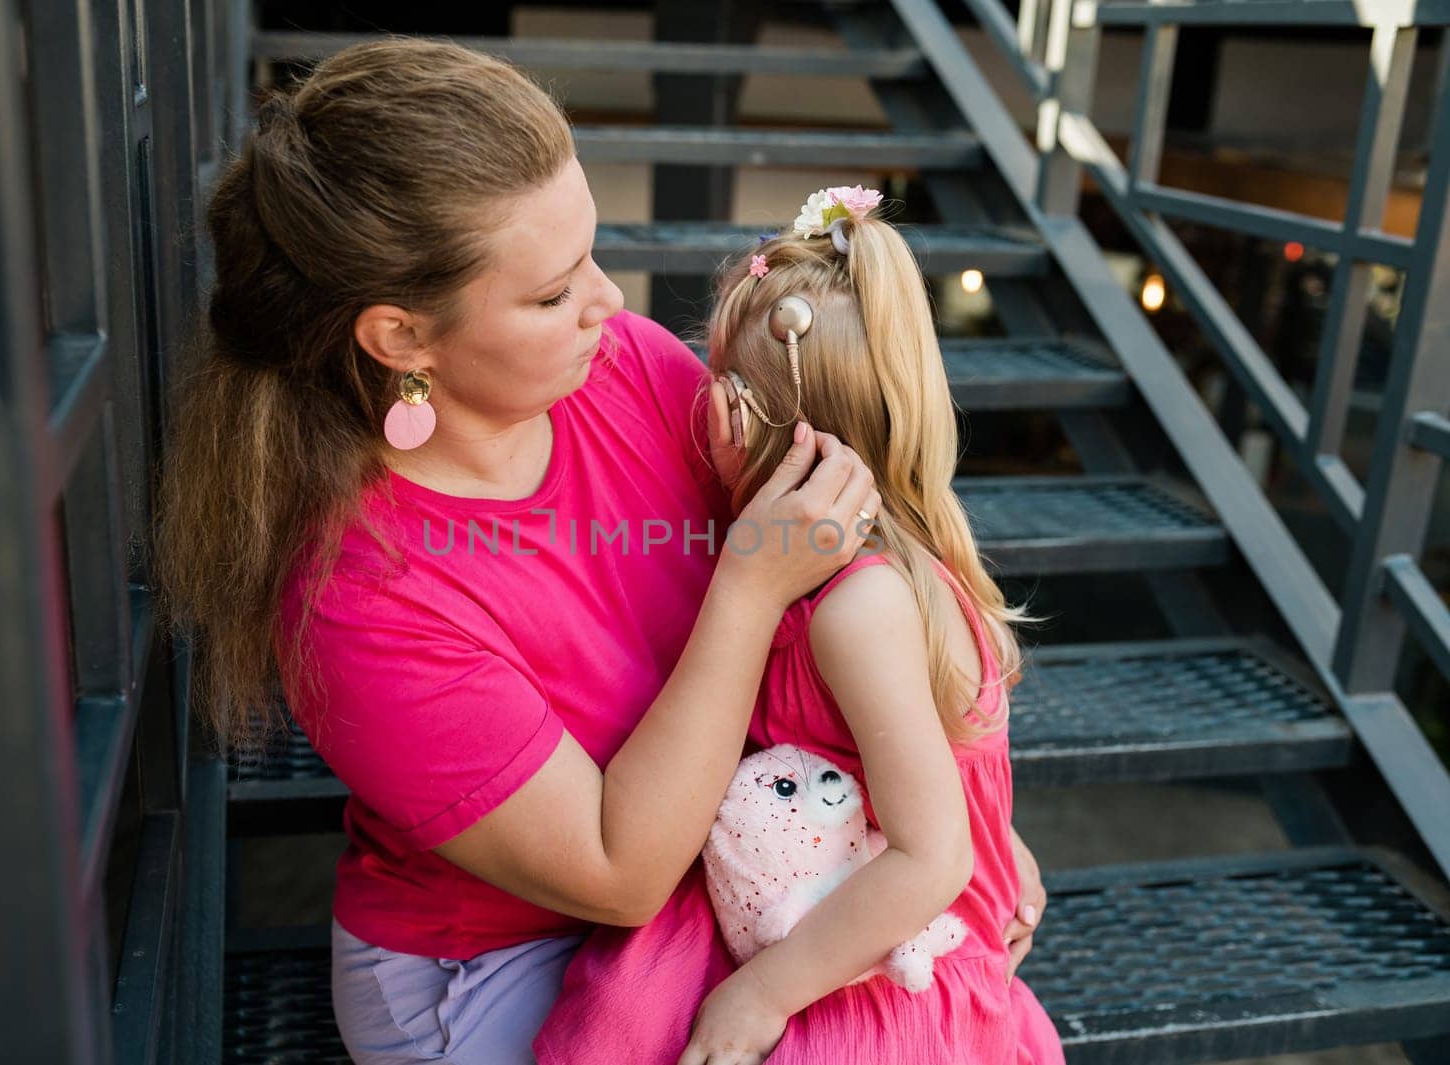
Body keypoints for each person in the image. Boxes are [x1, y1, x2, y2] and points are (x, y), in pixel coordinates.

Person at [151, 36, 1043, 1065]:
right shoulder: (360, 595)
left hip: (735, 872)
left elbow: (854, 563)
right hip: (496, 962)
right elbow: (617, 868)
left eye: (590, 253)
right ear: (401, 339)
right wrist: (747, 590)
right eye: (548, 293)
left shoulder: (621, 371)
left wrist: (955, 808)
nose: (609, 302)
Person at [533, 189, 1063, 1065]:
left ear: (747, 414)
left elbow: (932, 857)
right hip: (819, 885)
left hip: (884, 952)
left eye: (714, 389)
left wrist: (760, 994)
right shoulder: (816, 577)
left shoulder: (858, 607)